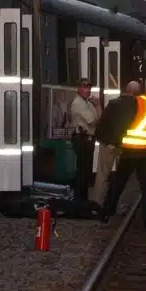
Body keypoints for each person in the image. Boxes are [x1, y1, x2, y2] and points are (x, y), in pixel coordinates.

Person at [101, 74, 146, 236]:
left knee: (118, 184)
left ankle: (106, 214)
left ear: (145, 88)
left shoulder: (136, 102)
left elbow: (123, 122)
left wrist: (117, 142)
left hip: (130, 150)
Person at [94, 80, 140, 213]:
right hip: (125, 146)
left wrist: (102, 139)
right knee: (124, 177)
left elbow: (103, 122)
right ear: (137, 93)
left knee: (102, 175)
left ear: (126, 89)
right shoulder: (137, 106)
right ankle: (122, 206)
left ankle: (97, 205)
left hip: (108, 144)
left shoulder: (113, 103)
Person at [65, 77, 99, 205]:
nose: (87, 90)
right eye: (84, 87)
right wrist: (98, 106)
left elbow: (98, 120)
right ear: (79, 89)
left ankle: (83, 199)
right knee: (82, 171)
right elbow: (93, 120)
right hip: (82, 139)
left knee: (86, 171)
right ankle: (79, 200)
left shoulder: (88, 103)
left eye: (89, 87)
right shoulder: (78, 103)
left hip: (88, 139)